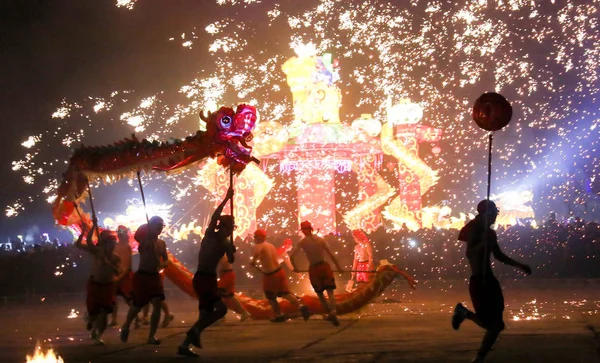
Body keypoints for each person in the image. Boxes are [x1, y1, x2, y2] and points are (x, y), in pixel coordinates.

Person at [452, 200, 532, 363]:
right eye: (495, 211)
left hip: (490, 280)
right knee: (492, 325)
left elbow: (498, 256)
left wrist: (519, 265)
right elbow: (470, 253)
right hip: (479, 282)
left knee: (498, 325)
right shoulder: (476, 230)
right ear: (486, 212)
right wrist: (482, 243)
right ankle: (464, 314)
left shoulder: (490, 233)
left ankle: (479, 357)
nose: (497, 214)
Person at [177, 187, 237, 357]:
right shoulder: (210, 234)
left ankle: (185, 345)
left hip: (210, 278)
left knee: (204, 314)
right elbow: (214, 216)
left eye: (232, 228)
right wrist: (226, 199)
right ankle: (193, 333)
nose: (231, 230)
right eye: (229, 227)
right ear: (222, 226)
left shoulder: (225, 242)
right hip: (202, 278)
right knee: (221, 310)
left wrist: (232, 250)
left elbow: (231, 261)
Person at [120, 216, 168, 345]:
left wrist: (163, 264)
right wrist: (148, 230)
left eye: (161, 225)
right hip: (143, 276)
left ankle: (152, 336)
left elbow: (166, 259)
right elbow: (137, 235)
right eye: (157, 225)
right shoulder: (145, 241)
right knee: (137, 305)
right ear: (151, 226)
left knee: (157, 304)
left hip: (155, 276)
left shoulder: (162, 243)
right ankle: (126, 325)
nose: (159, 228)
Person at [75, 220, 124, 345]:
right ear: (104, 244)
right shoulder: (96, 252)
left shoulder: (116, 257)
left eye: (114, 244)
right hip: (95, 286)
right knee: (94, 314)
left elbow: (118, 272)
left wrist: (108, 263)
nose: (112, 246)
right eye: (110, 244)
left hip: (108, 288)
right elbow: (85, 243)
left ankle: (98, 337)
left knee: (104, 313)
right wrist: (92, 228)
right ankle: (91, 322)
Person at [290, 221, 343, 326]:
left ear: (305, 230)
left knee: (320, 294)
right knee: (330, 292)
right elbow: (331, 255)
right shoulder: (320, 240)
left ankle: (330, 312)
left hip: (314, 269)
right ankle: (333, 312)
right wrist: (339, 268)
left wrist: (295, 268)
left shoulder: (303, 242)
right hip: (324, 266)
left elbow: (292, 256)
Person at [250, 229, 310, 322]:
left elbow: (256, 254)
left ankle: (279, 315)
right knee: (284, 293)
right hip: (279, 272)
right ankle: (301, 307)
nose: (254, 239)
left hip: (270, 275)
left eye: (255, 237)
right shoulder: (270, 245)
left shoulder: (259, 246)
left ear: (259, 238)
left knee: (271, 296)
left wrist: (253, 261)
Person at [110, 225, 137, 328]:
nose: (120, 234)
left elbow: (129, 263)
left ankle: (137, 319)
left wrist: (125, 273)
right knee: (113, 298)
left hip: (125, 275)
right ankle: (114, 320)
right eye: (119, 232)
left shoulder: (127, 246)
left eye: (122, 232)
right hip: (116, 274)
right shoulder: (114, 246)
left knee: (129, 299)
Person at [217, 254, 251, 322]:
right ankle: (243, 313)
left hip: (227, 275)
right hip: (226, 274)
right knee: (226, 296)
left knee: (221, 294)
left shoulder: (221, 251)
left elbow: (225, 261)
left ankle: (222, 316)